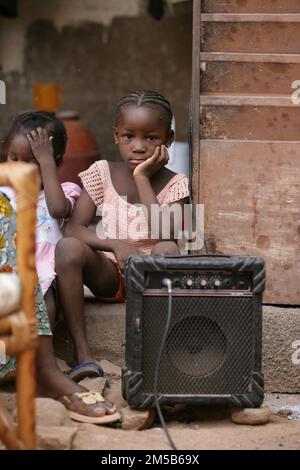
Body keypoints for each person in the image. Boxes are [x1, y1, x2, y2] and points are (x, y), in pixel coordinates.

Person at [56, 90, 190, 381]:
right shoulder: (102, 172)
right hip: (110, 274)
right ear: (116, 135)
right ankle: (83, 357)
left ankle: (157, 356)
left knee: (166, 247)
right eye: (129, 136)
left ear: (168, 139)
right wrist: (114, 244)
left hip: (153, 277)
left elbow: (167, 233)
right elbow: (73, 228)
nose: (138, 146)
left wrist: (142, 177)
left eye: (151, 138)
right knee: (67, 247)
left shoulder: (176, 183)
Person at [0, 111, 119, 424]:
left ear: (54, 161)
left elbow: (56, 209)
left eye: (33, 162)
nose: (20, 168)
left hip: (44, 282)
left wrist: (47, 164)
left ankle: (42, 371)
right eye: (13, 157)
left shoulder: (62, 191)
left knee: (45, 306)